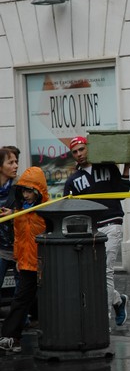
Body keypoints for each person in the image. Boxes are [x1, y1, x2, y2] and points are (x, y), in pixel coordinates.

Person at [63, 136, 130, 327]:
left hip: (112, 223)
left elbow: (121, 192)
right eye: (75, 151)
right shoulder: (72, 180)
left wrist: (127, 169)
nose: (79, 154)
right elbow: (68, 209)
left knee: (105, 272)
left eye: (82, 149)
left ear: (89, 149)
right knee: (93, 274)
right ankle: (118, 300)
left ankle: (102, 322)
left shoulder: (108, 166)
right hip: (90, 229)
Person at [0, 166, 49, 354]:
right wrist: (18, 260)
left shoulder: (46, 211)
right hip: (27, 264)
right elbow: (18, 239)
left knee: (45, 300)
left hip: (45, 264)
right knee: (20, 299)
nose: (27, 195)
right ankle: (11, 337)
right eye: (24, 191)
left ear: (38, 191)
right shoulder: (19, 212)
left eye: (30, 191)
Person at [0, 147, 20, 297]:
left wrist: (13, 214)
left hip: (19, 248)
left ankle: (22, 320)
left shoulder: (21, 186)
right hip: (0, 249)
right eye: (11, 162)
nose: (16, 166)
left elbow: (32, 211)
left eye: (16, 162)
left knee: (21, 292)